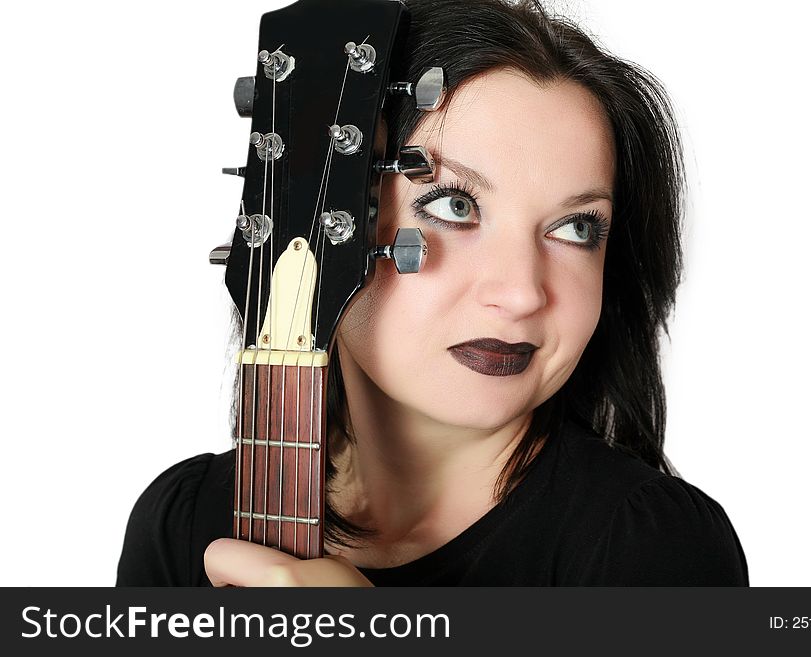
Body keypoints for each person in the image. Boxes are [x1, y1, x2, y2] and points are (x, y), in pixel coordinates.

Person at [117, 0, 748, 586]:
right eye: (454, 205)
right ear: (326, 219)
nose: (523, 292)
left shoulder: (652, 549)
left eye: (576, 228)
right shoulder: (183, 524)